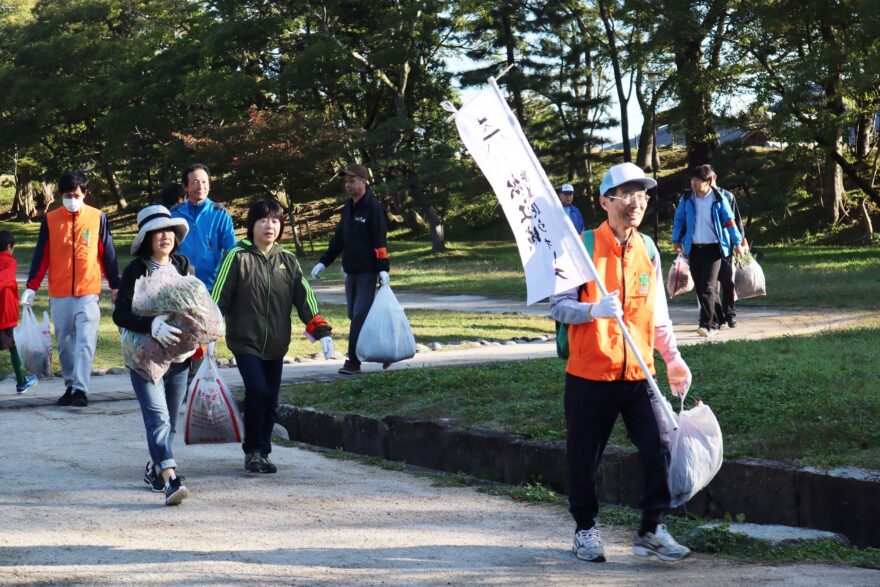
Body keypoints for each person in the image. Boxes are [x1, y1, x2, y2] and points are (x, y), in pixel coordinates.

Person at [551, 162, 693, 563]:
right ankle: (585, 529)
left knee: (660, 444)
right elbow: (559, 308)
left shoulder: (648, 248)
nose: (636, 202)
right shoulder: (577, 246)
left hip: (637, 372)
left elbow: (658, 313)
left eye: (643, 195)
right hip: (590, 372)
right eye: (627, 194)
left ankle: (651, 529)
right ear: (604, 201)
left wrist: (673, 359)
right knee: (585, 456)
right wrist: (593, 309)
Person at [213, 198, 334, 474]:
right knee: (257, 391)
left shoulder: (288, 260)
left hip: (277, 344)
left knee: (270, 400)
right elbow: (218, 298)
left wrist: (322, 331)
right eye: (263, 220)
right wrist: (209, 333)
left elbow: (305, 299)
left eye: (276, 221)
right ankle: (253, 450)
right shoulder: (237, 256)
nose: (270, 226)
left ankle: (263, 452)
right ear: (252, 224)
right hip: (245, 342)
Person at [112, 205, 194, 505]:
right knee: (157, 417)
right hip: (144, 358)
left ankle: (154, 468)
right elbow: (120, 315)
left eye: (169, 230)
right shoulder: (136, 270)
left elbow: (194, 306)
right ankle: (172, 480)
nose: (165, 236)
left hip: (179, 358)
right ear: (147, 237)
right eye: (158, 231)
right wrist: (151, 324)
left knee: (170, 421)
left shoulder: (183, 265)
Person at [21, 171, 120, 407]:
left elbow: (107, 252)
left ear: (84, 193)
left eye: (76, 195)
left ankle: (80, 390)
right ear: (60, 195)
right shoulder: (51, 219)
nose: (72, 199)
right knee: (65, 344)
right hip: (60, 293)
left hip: (88, 292)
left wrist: (115, 284)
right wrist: (32, 287)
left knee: (86, 341)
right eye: (67, 195)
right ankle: (70, 385)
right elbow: (41, 255)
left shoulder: (98, 217)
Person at [310, 163, 389, 375]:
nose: (348, 185)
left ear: (363, 181)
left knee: (359, 316)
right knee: (354, 315)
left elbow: (380, 240)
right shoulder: (348, 208)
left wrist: (383, 268)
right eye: (345, 182)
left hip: (368, 271)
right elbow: (339, 240)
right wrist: (324, 262)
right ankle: (384, 351)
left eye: (352, 180)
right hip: (350, 271)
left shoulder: (374, 207)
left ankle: (353, 362)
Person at [671, 164, 744, 336]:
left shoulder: (719, 198)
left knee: (709, 287)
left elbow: (729, 221)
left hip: (714, 250)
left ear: (709, 181)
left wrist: (738, 242)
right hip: (694, 249)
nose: (694, 183)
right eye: (692, 180)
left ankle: (708, 325)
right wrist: (676, 240)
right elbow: (679, 219)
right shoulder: (687, 197)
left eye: (698, 180)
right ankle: (718, 316)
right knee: (700, 287)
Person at [170, 164, 236, 292]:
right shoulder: (174, 214)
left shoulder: (220, 214)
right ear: (185, 187)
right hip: (179, 285)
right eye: (195, 182)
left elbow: (231, 250)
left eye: (204, 182)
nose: (200, 186)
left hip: (211, 286)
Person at [0, 231, 38, 394]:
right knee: (13, 347)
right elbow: (5, 279)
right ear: (10, 247)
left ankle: (22, 381)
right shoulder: (10, 262)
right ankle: (21, 382)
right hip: (6, 314)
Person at [711, 174, 746, 328]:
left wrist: (740, 242)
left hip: (724, 246)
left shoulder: (727, 196)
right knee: (708, 285)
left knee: (727, 281)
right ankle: (717, 314)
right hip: (704, 247)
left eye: (708, 180)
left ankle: (730, 313)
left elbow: (736, 221)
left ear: (714, 178)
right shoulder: (695, 198)